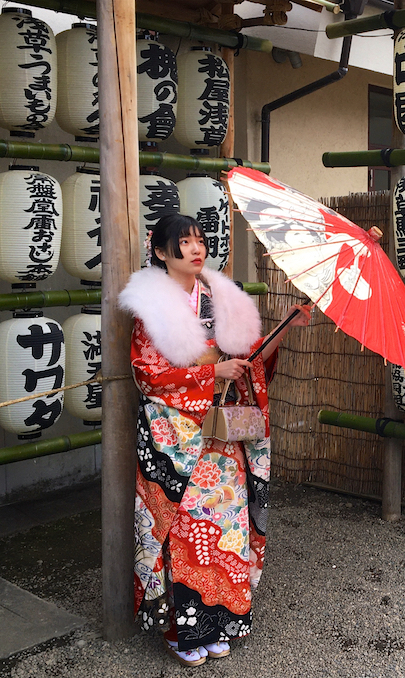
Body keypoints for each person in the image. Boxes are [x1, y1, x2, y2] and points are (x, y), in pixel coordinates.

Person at [119, 213, 310, 667]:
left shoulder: (222, 299)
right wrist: (211, 371)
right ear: (162, 252)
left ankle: (223, 621)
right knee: (186, 533)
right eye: (182, 242)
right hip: (176, 439)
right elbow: (150, 376)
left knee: (226, 529)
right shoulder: (153, 309)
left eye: (199, 240)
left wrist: (284, 325)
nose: (195, 248)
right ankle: (181, 632)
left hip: (221, 440)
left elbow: (250, 360)